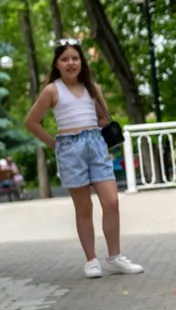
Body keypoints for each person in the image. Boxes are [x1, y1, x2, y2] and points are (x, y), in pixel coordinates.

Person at [24, 39, 144, 278]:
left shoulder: (92, 87)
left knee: (111, 202)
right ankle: (91, 260)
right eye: (65, 59)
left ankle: (115, 257)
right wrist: (55, 143)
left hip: (96, 145)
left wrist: (96, 132)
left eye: (75, 58)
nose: (71, 63)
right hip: (69, 148)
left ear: (82, 61)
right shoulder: (52, 90)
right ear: (57, 64)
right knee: (84, 208)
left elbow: (103, 118)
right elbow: (31, 121)